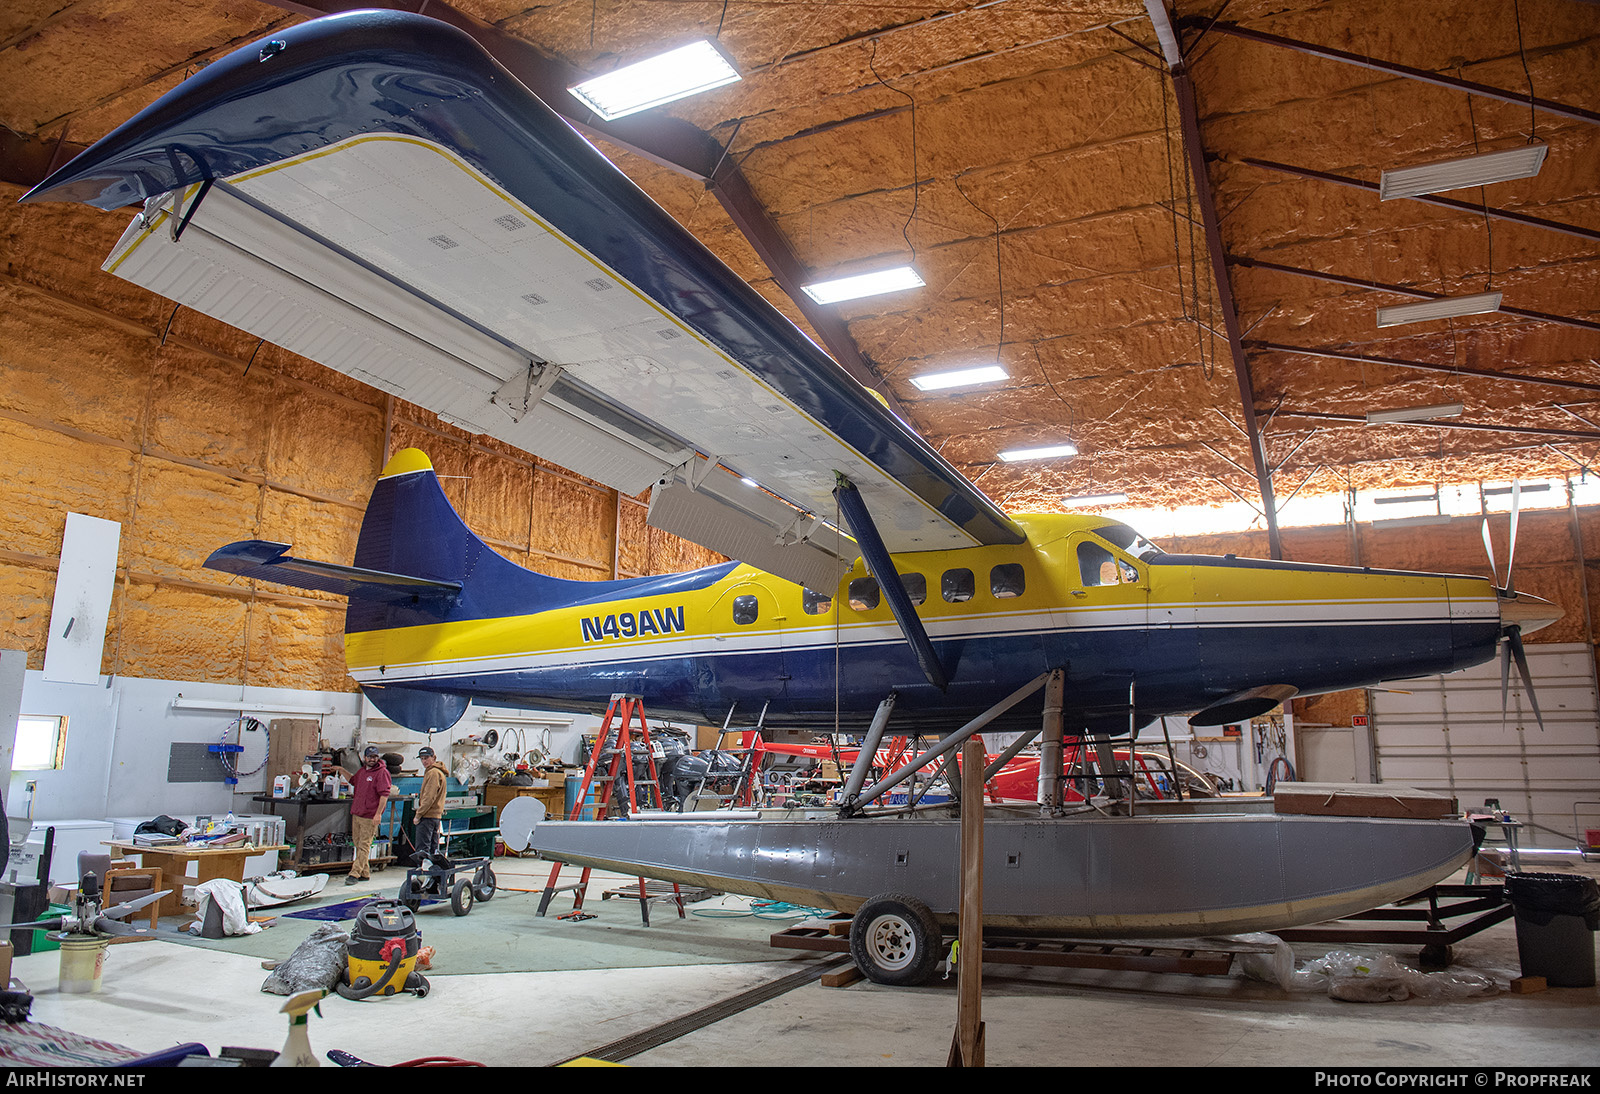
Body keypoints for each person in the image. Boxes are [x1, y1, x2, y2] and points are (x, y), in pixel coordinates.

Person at [347, 745, 393, 886]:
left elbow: (384, 795)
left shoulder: (382, 773)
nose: (372, 759)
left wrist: (378, 814)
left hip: (369, 816)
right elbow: (353, 781)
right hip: (357, 814)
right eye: (370, 757)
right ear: (364, 758)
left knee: (364, 846)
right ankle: (365, 873)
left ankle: (354, 874)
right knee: (358, 844)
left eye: (375, 757)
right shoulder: (361, 772)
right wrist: (341, 770)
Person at [415, 744, 447, 861]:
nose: (424, 761)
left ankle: (423, 875)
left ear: (434, 758)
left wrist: (418, 814)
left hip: (428, 816)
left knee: (423, 850)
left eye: (426, 758)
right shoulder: (436, 772)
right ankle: (433, 875)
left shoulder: (433, 773)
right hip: (434, 817)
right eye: (422, 759)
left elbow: (429, 797)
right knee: (433, 849)